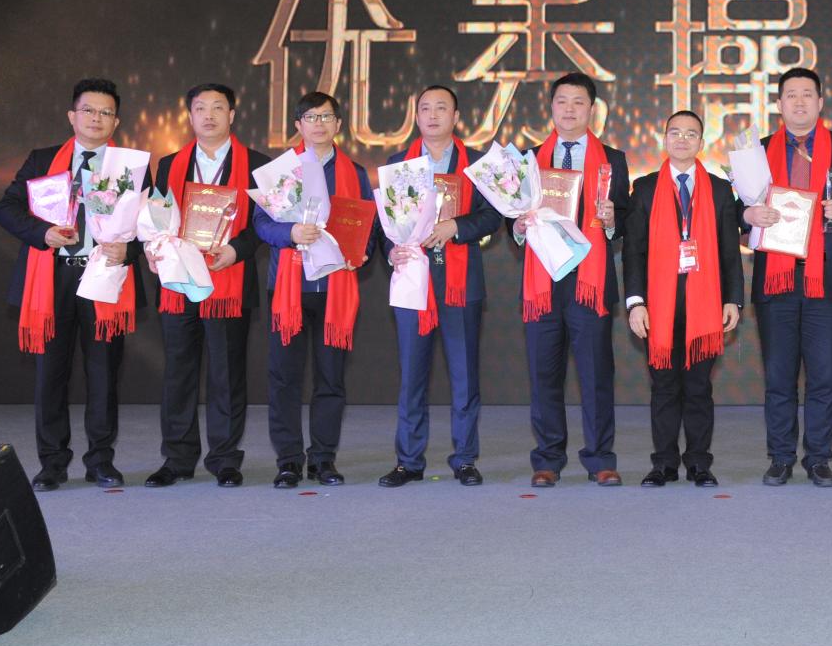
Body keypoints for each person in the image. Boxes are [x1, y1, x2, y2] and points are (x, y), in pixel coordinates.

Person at [0, 78, 139, 491]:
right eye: (88, 110)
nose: (96, 118)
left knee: (103, 375)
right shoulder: (42, 160)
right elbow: (6, 208)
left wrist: (127, 250)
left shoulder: (131, 165)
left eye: (106, 112)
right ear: (72, 116)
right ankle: (52, 464)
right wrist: (42, 233)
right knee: (50, 377)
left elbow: (153, 226)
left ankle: (101, 462)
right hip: (52, 277)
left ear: (116, 121)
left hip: (105, 279)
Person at [739, 67, 832, 487]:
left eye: (807, 94)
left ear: (820, 102)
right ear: (779, 104)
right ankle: (780, 457)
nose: (799, 101)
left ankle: (818, 458)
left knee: (823, 376)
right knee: (778, 376)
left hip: (825, 278)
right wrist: (748, 215)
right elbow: (735, 210)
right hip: (776, 279)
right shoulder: (757, 153)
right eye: (790, 94)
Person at [144, 83, 271, 489]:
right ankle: (177, 459)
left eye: (218, 107)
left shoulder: (257, 165)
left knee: (226, 374)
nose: (209, 115)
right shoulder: (169, 164)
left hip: (228, 280)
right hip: (179, 281)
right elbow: (157, 218)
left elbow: (266, 224)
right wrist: (153, 247)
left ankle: (225, 459)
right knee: (178, 372)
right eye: (201, 108)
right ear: (190, 116)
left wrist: (236, 250)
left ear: (232, 115)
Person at [380, 84, 501, 488]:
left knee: (464, 375)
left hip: (460, 284)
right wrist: (391, 251)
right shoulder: (398, 164)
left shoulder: (477, 164)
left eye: (441, 108)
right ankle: (408, 461)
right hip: (413, 281)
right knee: (411, 375)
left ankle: (464, 459)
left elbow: (493, 217)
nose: (432, 115)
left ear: (456, 117)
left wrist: (457, 227)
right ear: (416, 117)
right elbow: (384, 225)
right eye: (425, 109)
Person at [253, 91, 375, 489]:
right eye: (310, 117)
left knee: (331, 379)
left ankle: (323, 459)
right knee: (284, 379)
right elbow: (261, 224)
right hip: (288, 289)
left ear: (338, 124)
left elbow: (369, 224)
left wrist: (362, 253)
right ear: (298, 125)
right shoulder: (279, 171)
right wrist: (289, 232)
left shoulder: (355, 173)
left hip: (335, 288)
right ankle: (288, 460)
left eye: (326, 117)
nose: (318, 124)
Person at [514, 73, 631, 487]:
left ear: (591, 109)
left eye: (578, 102)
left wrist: (613, 220)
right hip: (543, 283)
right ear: (551, 107)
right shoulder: (529, 160)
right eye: (562, 101)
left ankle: (600, 459)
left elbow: (626, 218)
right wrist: (518, 226)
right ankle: (547, 459)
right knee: (544, 375)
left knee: (596, 376)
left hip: (589, 283)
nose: (569, 109)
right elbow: (513, 217)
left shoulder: (613, 160)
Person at [622, 110, 744, 488]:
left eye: (691, 134)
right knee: (664, 388)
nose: (682, 139)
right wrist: (635, 303)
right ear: (664, 139)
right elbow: (633, 251)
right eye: (675, 132)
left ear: (701, 143)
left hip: (705, 305)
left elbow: (729, 251)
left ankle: (699, 463)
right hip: (658, 307)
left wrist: (733, 300)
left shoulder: (719, 189)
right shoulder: (644, 188)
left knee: (698, 388)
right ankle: (663, 464)